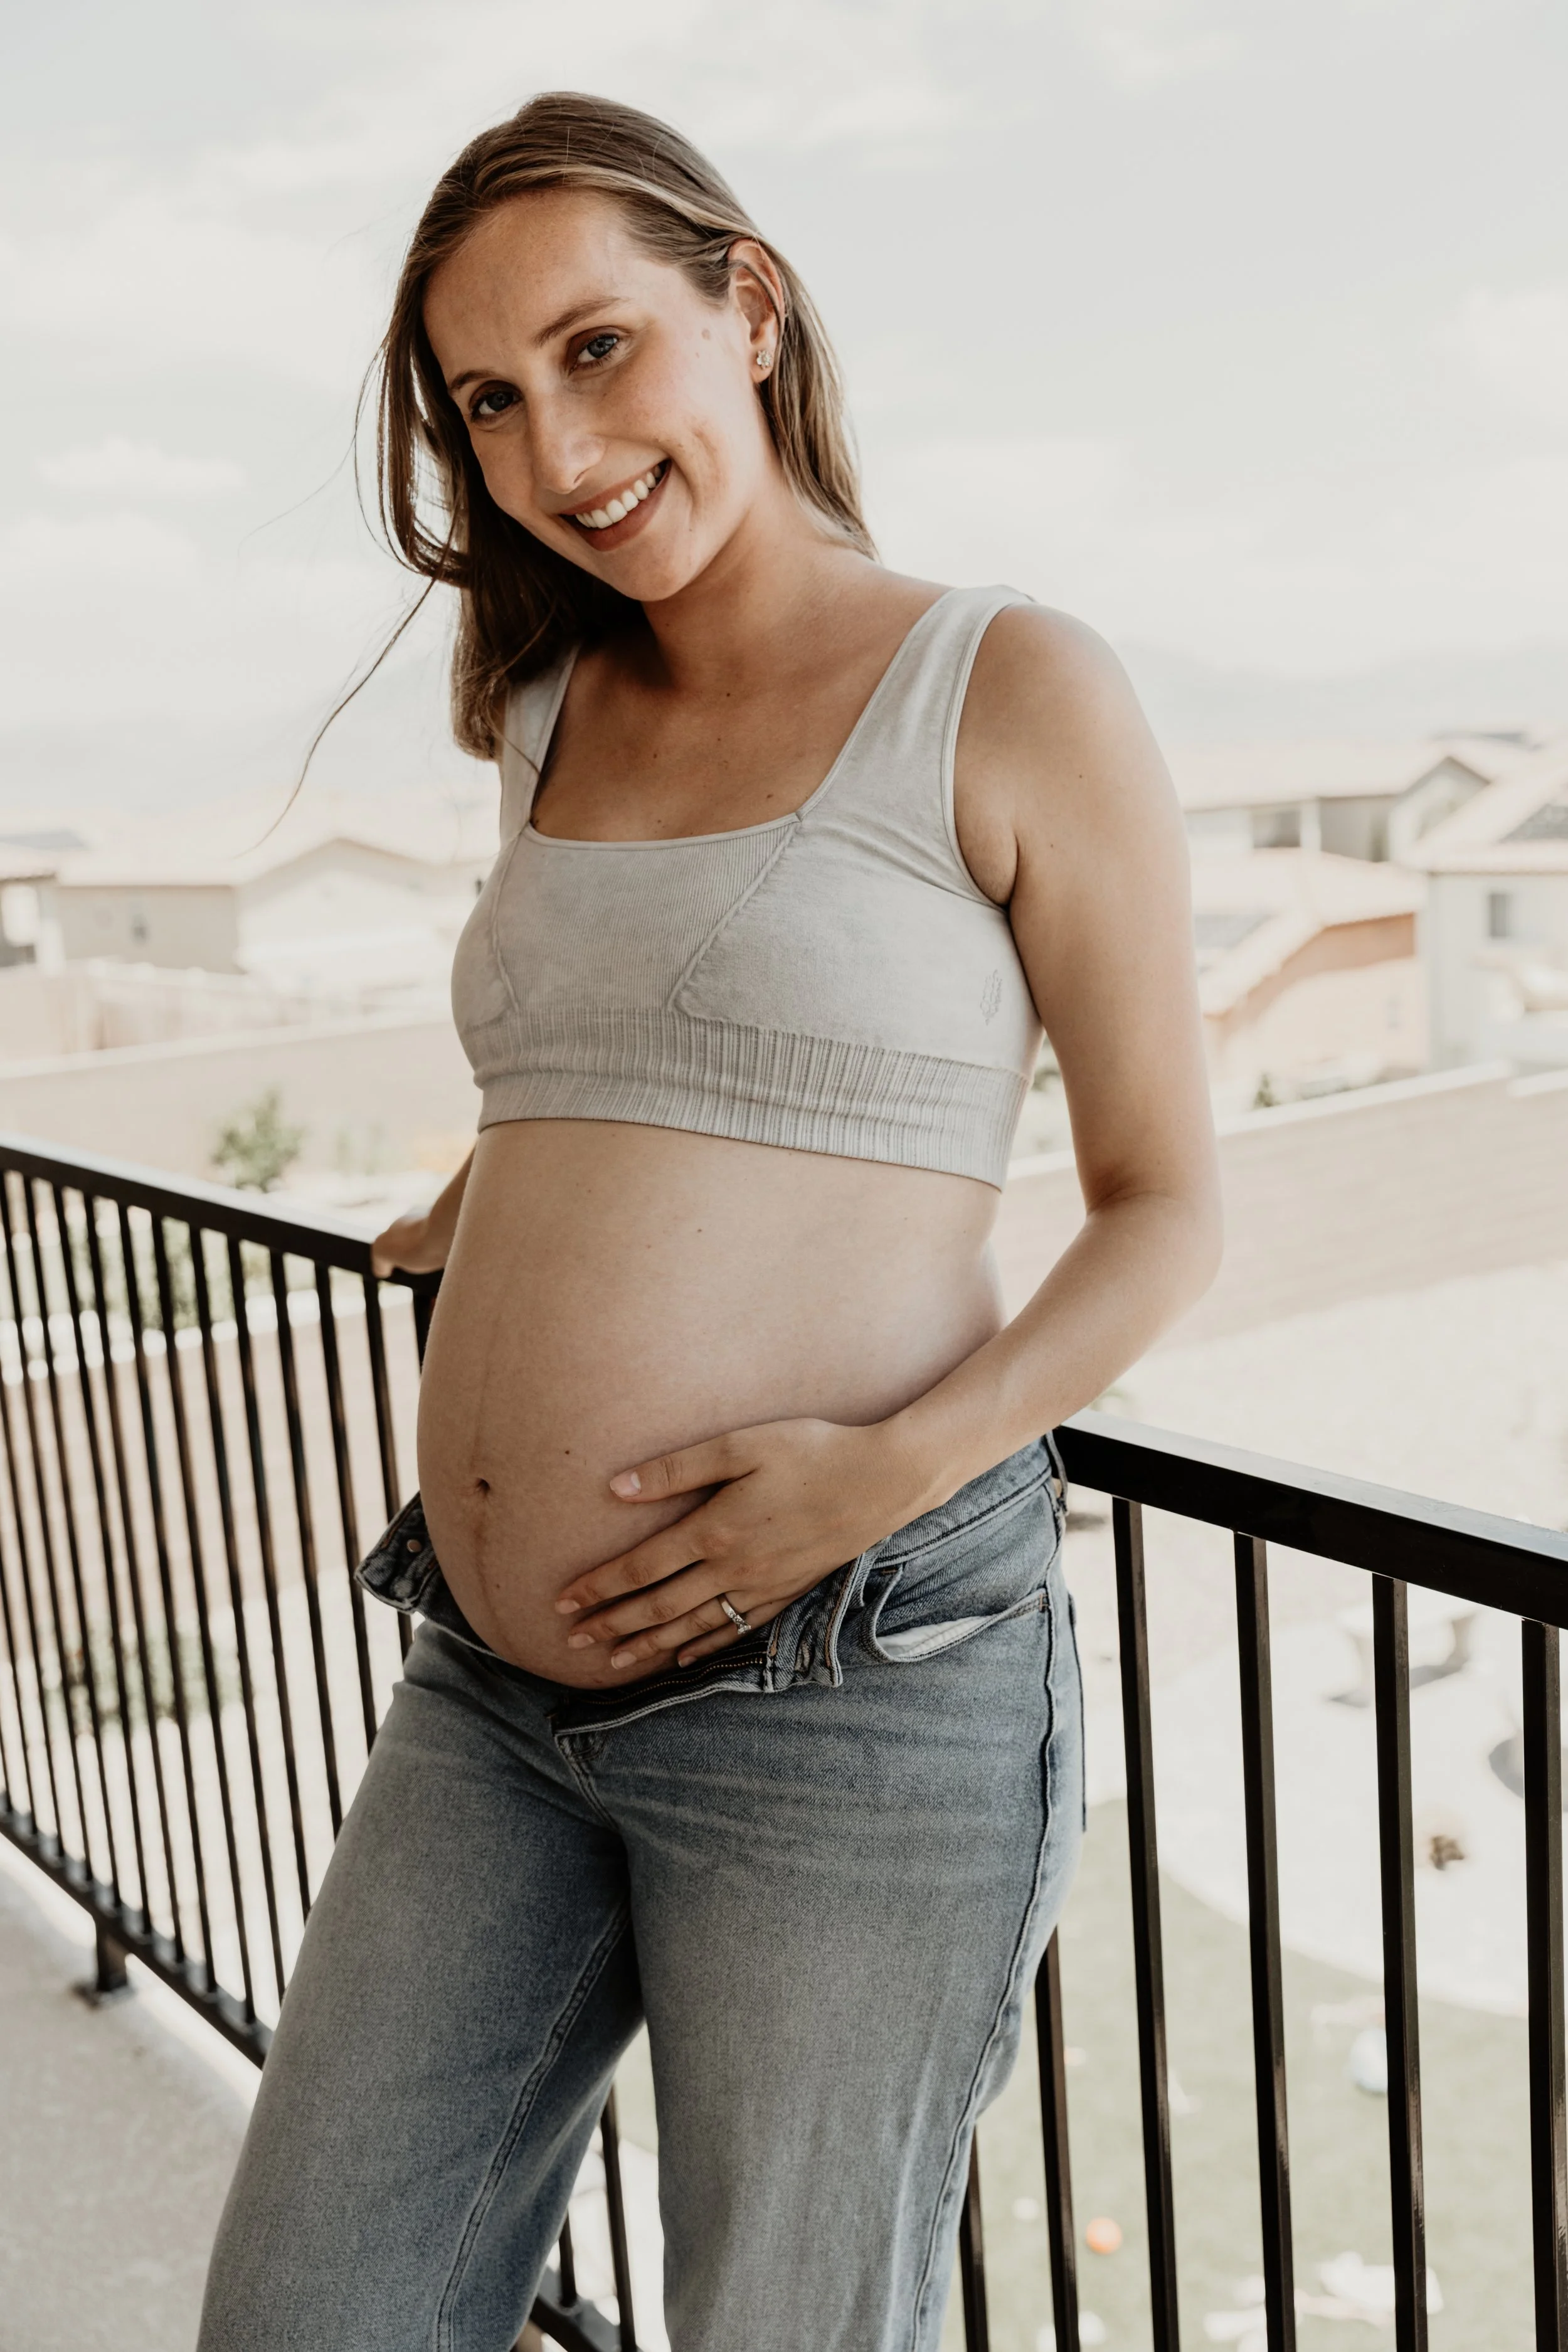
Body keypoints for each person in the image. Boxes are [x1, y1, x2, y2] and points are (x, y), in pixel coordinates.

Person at [198, 90, 1221, 2352]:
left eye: (595, 350)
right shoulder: (550, 700)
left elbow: (1163, 1215)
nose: (554, 450)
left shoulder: (1007, 683)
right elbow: (649, 1021)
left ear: (742, 308)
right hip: (490, 1679)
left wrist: (871, 1472)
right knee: (305, 2312)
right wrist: (512, 1194)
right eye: (486, 399)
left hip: (847, 1676)